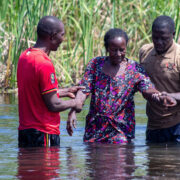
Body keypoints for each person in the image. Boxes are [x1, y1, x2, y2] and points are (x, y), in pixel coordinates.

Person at [66, 28, 176, 144]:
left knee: (120, 158)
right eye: (114, 50)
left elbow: (147, 89)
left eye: (122, 50)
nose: (118, 54)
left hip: (121, 128)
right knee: (94, 160)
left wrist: (158, 96)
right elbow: (84, 90)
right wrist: (74, 109)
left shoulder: (134, 69)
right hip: (95, 126)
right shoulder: (95, 64)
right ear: (107, 48)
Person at [17, 16, 84, 147]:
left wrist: (65, 91)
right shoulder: (44, 63)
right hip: (44, 133)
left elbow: (36, 92)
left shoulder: (25, 56)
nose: (63, 39)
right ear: (53, 36)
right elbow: (53, 105)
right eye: (62, 35)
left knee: (28, 167)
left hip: (25, 132)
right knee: (46, 167)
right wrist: (75, 103)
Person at [139, 15, 180, 143]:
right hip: (153, 125)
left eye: (164, 38)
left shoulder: (178, 57)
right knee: (154, 161)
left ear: (173, 34)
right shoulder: (145, 51)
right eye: (155, 38)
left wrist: (169, 95)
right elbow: (141, 83)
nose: (159, 42)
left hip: (177, 126)